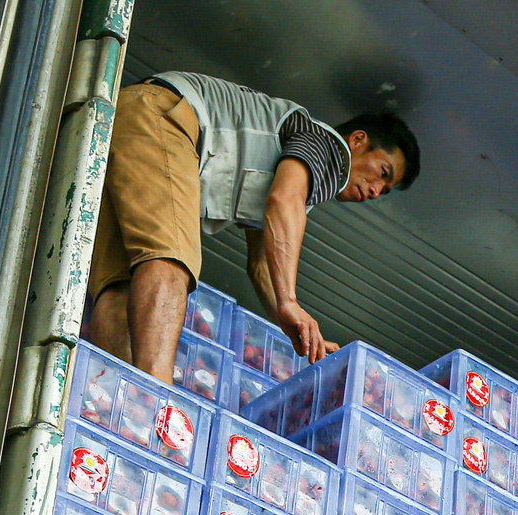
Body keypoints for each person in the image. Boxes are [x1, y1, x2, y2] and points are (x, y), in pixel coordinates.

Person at [82, 70, 421, 380]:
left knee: (119, 288)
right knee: (172, 263)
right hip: (164, 118)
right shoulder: (329, 148)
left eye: (384, 191)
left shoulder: (299, 175)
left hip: (132, 116)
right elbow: (283, 202)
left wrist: (294, 326)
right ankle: (156, 402)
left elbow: (260, 264)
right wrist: (289, 301)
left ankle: (116, 409)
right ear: (358, 140)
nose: (375, 190)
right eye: (382, 172)